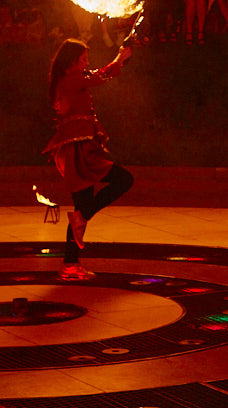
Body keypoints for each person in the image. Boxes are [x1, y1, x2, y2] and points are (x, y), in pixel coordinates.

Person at [44, 40, 136, 280]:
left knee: (81, 208)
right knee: (123, 180)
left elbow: (97, 74)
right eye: (83, 59)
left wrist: (120, 58)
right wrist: (119, 58)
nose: (86, 63)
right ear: (71, 61)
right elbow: (101, 75)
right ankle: (72, 257)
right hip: (78, 151)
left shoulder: (71, 78)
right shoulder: (70, 79)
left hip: (81, 148)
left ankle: (70, 264)